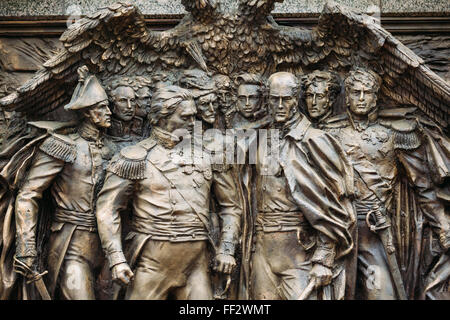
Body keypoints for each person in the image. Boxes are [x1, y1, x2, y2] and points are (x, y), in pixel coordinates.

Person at [95, 85, 243, 299]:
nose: (193, 123)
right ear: (161, 117)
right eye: (186, 117)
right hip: (152, 263)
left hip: (197, 265)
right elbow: (108, 209)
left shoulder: (209, 156)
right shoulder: (135, 158)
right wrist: (116, 258)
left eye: (194, 116)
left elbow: (231, 207)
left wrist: (227, 249)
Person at [325, 68, 450, 299]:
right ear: (347, 97)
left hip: (375, 231)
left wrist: (443, 225)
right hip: (336, 230)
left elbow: (422, 186)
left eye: (366, 93)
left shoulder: (394, 135)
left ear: (376, 97)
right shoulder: (328, 135)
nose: (361, 98)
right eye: (355, 93)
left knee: (382, 294)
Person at [247, 72, 355, 300]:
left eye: (285, 99)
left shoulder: (315, 140)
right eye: (273, 99)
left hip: (299, 253)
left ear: (297, 99)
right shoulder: (260, 142)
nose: (279, 105)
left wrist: (325, 257)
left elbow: (337, 204)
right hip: (262, 251)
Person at [14, 66, 114, 299]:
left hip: (109, 247)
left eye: (107, 105)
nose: (109, 111)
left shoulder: (113, 150)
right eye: (102, 107)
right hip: (71, 243)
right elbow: (28, 194)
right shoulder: (62, 147)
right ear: (87, 113)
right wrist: (26, 247)